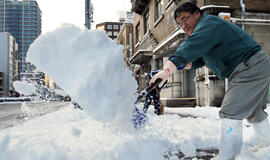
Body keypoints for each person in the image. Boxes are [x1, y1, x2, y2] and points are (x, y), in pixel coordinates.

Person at [150, 2, 270, 159]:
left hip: (249, 67)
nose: (183, 26)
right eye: (180, 23)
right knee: (254, 111)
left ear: (197, 14)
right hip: (253, 66)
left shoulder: (208, 25)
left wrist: (166, 71)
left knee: (230, 112)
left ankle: (227, 156)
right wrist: (188, 63)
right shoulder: (206, 30)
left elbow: (190, 46)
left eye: (185, 19)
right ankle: (266, 147)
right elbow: (203, 58)